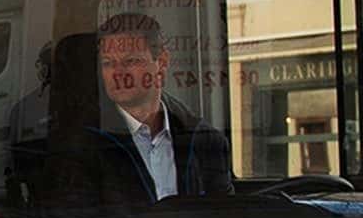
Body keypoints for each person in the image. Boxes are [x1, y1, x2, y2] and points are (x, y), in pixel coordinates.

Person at [55, 11, 234, 206]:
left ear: (162, 62)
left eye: (131, 61)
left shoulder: (206, 142)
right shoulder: (81, 145)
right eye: (108, 63)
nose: (119, 73)